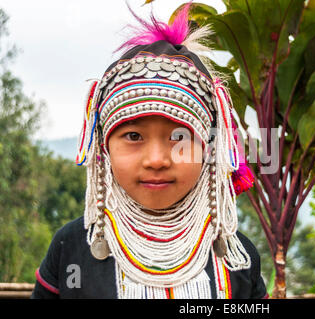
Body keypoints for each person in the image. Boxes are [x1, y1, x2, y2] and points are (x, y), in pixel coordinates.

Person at [31, 4, 267, 299]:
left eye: (179, 137)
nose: (157, 160)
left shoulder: (238, 259)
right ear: (103, 147)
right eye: (133, 135)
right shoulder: (71, 248)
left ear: (209, 149)